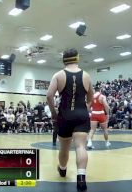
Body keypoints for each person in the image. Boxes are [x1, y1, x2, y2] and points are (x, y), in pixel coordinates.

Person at [46, 48, 93, 191]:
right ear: (77, 59)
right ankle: (81, 178)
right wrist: (85, 107)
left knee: (64, 147)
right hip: (81, 115)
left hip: (65, 115)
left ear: (64, 60)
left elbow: (49, 96)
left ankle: (63, 169)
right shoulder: (86, 75)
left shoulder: (58, 75)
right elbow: (91, 96)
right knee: (80, 146)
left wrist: (54, 114)